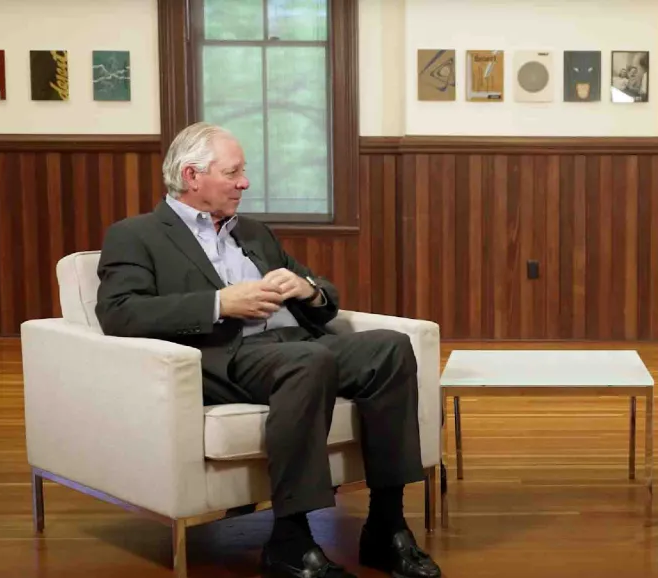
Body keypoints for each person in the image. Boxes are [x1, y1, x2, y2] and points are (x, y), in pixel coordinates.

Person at [95, 122, 442, 578]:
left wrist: (307, 290)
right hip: (224, 355)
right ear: (191, 175)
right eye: (233, 172)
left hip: (297, 344)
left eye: (244, 172)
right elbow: (119, 312)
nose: (245, 182)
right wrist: (220, 303)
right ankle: (291, 540)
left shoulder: (254, 233)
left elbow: (325, 295)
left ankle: (386, 525)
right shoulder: (136, 235)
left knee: (390, 348)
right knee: (310, 360)